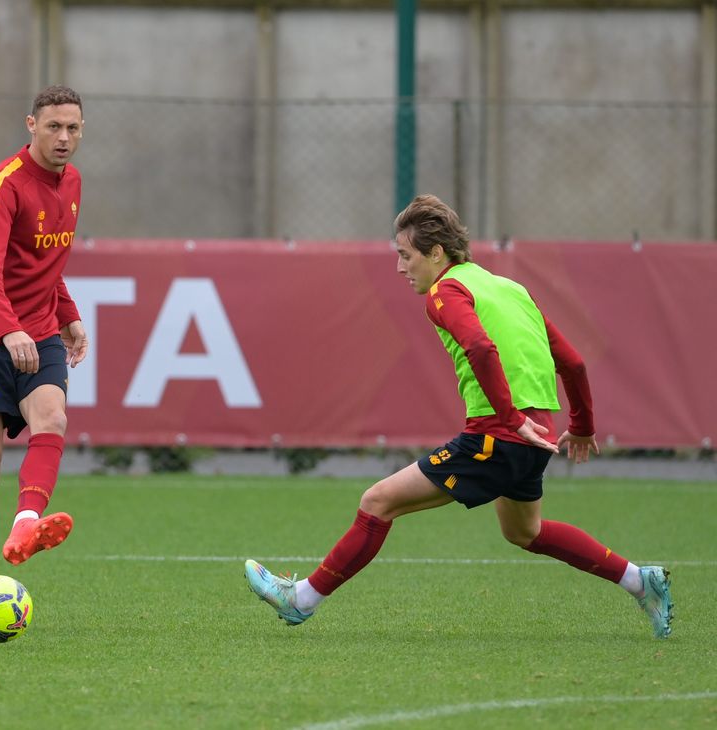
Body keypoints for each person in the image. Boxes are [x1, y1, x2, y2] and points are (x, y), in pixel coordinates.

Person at [245, 194, 674, 639]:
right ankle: (640, 581)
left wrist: (508, 417)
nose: (399, 267)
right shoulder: (511, 289)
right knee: (524, 532)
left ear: (436, 253)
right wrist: (582, 426)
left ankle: (300, 601)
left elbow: (481, 347)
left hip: (499, 436)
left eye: (405, 255)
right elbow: (574, 363)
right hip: (535, 439)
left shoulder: (445, 291)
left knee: (377, 503)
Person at [0, 85, 89, 595]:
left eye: (73, 127)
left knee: (52, 417)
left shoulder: (72, 182)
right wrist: (9, 330)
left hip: (41, 330)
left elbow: (47, 262)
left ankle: (27, 520)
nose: (64, 137)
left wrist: (67, 315)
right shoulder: (2, 185)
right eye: (54, 126)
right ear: (31, 125)